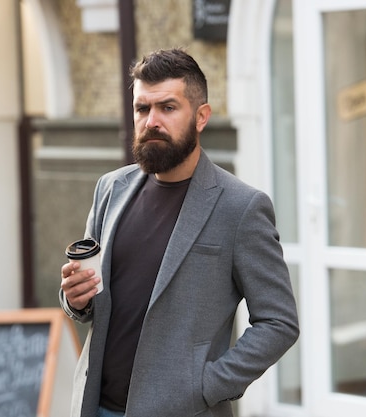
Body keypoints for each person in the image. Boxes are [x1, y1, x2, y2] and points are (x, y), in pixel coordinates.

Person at [59, 48, 299, 417]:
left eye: (167, 108)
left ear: (201, 116)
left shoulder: (241, 207)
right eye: (143, 108)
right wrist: (77, 300)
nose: (151, 121)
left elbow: (279, 322)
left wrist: (208, 386)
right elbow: (92, 301)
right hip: (97, 407)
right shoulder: (110, 189)